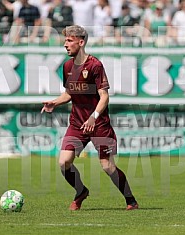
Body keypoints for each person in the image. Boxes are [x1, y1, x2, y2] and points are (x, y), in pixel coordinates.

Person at [41, 25, 138, 211]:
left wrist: (93, 117)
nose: (65, 45)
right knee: (64, 162)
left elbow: (105, 97)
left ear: (81, 42)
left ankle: (130, 200)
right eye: (65, 40)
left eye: (69, 41)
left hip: (98, 123)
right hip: (77, 123)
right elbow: (70, 93)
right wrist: (55, 102)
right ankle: (80, 191)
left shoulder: (95, 65)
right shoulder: (67, 66)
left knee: (107, 166)